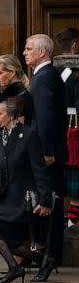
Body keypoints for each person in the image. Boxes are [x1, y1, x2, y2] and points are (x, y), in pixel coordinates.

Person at [0, 96, 52, 283]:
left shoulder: (28, 135)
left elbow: (39, 170)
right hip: (7, 198)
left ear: (11, 115)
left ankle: (19, 267)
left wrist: (45, 200)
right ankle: (40, 260)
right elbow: (1, 173)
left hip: (24, 199)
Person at [23, 34, 67, 281]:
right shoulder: (46, 76)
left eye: (29, 49)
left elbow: (46, 119)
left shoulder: (43, 78)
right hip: (48, 150)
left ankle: (49, 256)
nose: (25, 52)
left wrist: (47, 151)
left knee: (49, 205)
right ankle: (49, 255)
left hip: (47, 153)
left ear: (42, 52)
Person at [55, 27, 79, 227]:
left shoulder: (52, 71)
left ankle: (71, 223)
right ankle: (73, 224)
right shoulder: (76, 72)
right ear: (75, 45)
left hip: (59, 129)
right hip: (74, 130)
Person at [0, 55, 33, 126]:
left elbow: (19, 129)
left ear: (12, 73)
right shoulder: (11, 93)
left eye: (0, 73)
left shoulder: (20, 96)